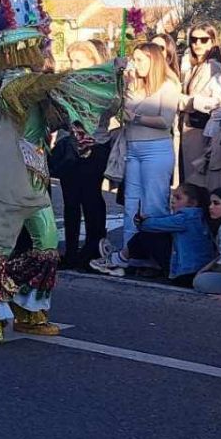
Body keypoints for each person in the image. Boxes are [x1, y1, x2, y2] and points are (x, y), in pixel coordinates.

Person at [0, 0, 121, 348]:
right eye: (39, 45)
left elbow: (53, 115)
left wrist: (78, 124)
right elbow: (39, 91)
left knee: (46, 245)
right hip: (6, 182)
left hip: (34, 179)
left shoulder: (36, 85)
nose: (44, 50)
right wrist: (99, 73)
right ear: (22, 49)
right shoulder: (13, 87)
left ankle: (29, 311)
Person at [96, 43, 180, 272]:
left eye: (142, 59)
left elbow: (166, 120)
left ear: (154, 60)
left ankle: (157, 256)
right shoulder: (132, 84)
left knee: (154, 204)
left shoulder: (168, 85)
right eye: (135, 59)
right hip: (133, 149)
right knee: (131, 202)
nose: (137, 64)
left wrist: (137, 117)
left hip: (156, 149)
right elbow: (114, 100)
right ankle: (129, 253)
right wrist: (119, 73)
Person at [50, 40, 113, 268]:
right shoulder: (66, 82)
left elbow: (108, 109)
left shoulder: (103, 84)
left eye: (79, 61)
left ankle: (94, 247)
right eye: (71, 60)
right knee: (70, 201)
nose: (74, 65)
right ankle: (71, 248)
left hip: (94, 145)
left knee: (91, 198)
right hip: (70, 145)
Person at [177, 22, 221, 202]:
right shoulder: (193, 65)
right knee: (189, 181)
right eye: (193, 39)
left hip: (202, 128)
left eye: (203, 40)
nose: (197, 44)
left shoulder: (214, 66)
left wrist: (189, 101)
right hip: (189, 127)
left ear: (212, 42)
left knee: (198, 183)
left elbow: (218, 101)